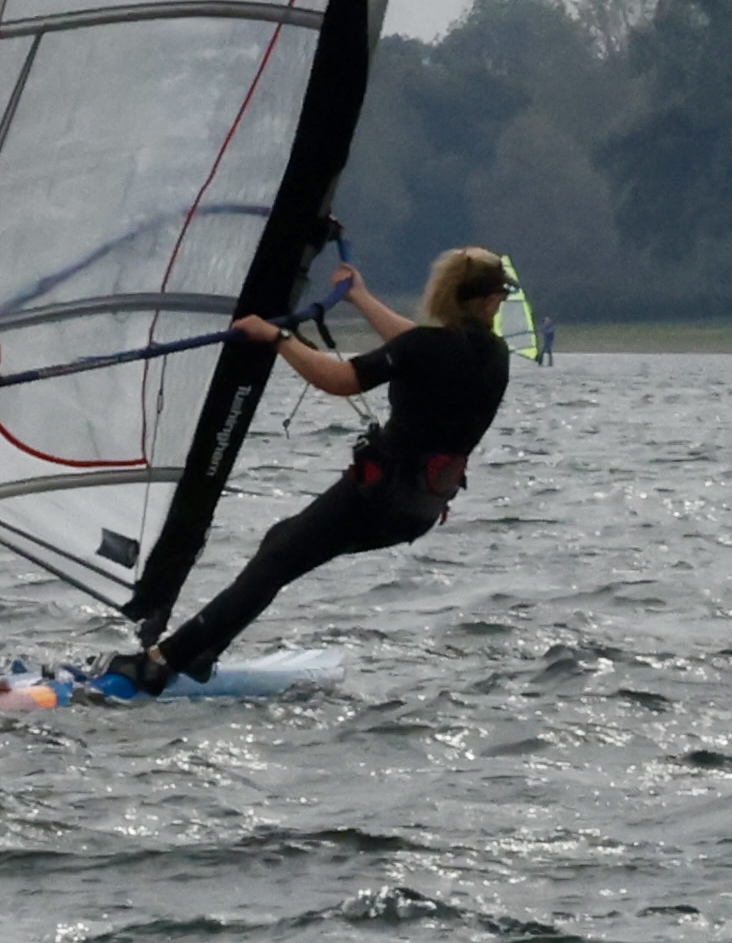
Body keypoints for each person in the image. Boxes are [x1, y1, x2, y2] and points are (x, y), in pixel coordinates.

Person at [106, 247, 516, 693]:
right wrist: (360, 298)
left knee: (278, 559)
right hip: (419, 510)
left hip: (375, 499)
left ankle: (160, 663)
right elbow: (417, 345)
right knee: (280, 543)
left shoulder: (425, 348)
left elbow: (340, 379)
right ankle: (202, 653)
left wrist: (277, 337)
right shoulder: (495, 355)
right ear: (490, 300)